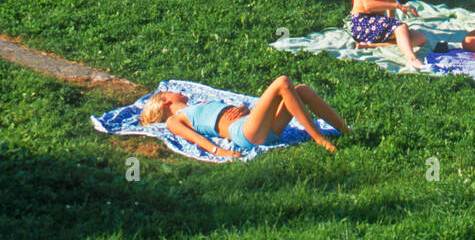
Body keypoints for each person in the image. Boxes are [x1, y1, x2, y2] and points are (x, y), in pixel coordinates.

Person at [138, 74, 348, 158]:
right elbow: (196, 139)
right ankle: (320, 139)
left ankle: (346, 131)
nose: (178, 91)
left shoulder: (198, 103)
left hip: (259, 127)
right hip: (244, 134)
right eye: (171, 91)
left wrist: (245, 110)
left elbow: (228, 115)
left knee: (301, 90)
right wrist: (220, 152)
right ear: (165, 100)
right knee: (282, 82)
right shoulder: (176, 119)